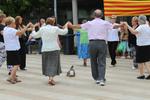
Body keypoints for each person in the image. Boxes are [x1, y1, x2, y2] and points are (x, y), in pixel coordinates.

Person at [69, 9, 118, 86]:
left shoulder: (89, 23)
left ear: (94, 15)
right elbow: (114, 26)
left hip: (92, 43)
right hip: (102, 43)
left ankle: (97, 78)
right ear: (102, 15)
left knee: (93, 61)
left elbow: (79, 26)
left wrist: (71, 26)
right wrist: (122, 25)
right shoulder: (105, 23)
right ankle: (102, 79)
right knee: (102, 61)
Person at [29, 17, 69, 86]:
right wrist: (66, 27)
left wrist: (33, 29)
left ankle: (50, 78)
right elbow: (64, 32)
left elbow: (35, 36)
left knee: (47, 64)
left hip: (45, 49)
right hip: (54, 48)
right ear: (53, 23)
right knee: (54, 63)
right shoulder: (55, 28)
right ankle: (51, 78)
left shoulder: (42, 29)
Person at [3, 16, 31, 84]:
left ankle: (14, 77)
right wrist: (27, 26)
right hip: (14, 48)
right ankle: (11, 78)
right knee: (16, 64)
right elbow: (21, 32)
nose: (14, 24)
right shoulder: (11, 30)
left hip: (9, 48)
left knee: (13, 64)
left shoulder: (5, 29)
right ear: (10, 23)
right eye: (13, 23)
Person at [123, 15, 150, 80]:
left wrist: (127, 25)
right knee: (141, 61)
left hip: (141, 46)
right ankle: (142, 74)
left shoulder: (141, 27)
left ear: (140, 20)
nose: (138, 21)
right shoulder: (147, 26)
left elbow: (133, 32)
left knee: (144, 61)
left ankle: (145, 74)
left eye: (138, 20)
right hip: (147, 45)